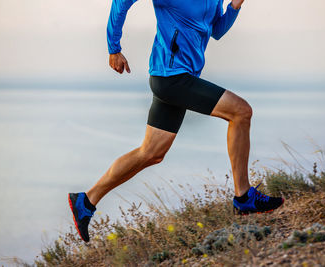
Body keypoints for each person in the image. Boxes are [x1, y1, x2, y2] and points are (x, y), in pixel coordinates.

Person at [68, 0, 284, 243]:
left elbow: (216, 30)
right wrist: (113, 48)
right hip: (171, 77)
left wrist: (234, 6)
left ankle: (86, 201)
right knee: (241, 112)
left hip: (180, 77)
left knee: (151, 152)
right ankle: (244, 197)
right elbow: (121, 2)